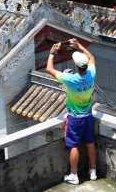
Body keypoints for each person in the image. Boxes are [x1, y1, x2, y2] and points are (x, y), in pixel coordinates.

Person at [46, 38, 97, 185]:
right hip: (88, 115)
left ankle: (74, 175)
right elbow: (92, 57)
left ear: (75, 66)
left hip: (75, 118)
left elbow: (49, 69)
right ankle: (92, 171)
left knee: (74, 145)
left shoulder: (70, 79)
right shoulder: (91, 74)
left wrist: (52, 53)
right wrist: (79, 46)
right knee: (90, 142)